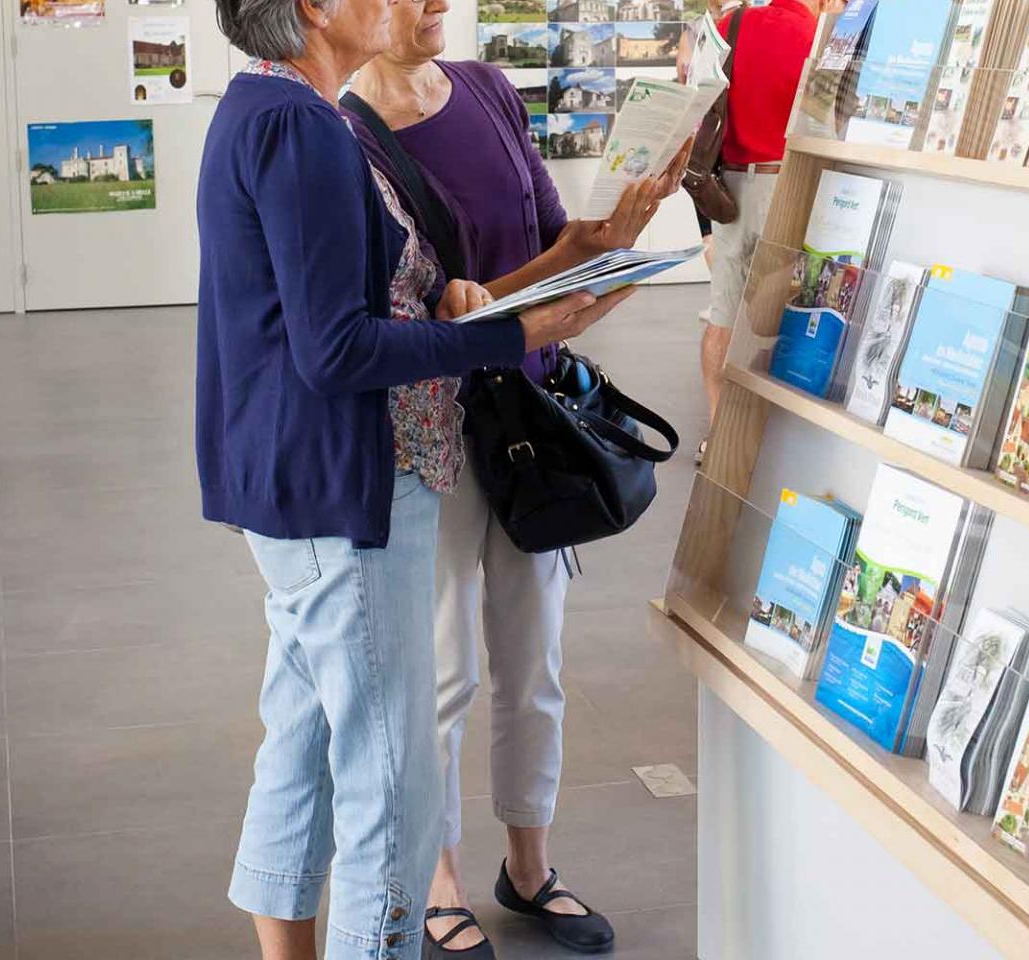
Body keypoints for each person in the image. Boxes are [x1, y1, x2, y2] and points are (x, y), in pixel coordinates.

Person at [200, 2, 633, 957]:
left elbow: (329, 311)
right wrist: (506, 334)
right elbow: (335, 350)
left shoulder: (264, 109)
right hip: (345, 483)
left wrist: (455, 300)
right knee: (392, 785)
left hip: (302, 482)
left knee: (305, 747)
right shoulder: (304, 128)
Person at [343, 4, 684, 956]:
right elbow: (387, 313)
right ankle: (440, 879)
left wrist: (620, 240)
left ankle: (529, 868)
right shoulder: (347, 134)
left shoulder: (490, 91)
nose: (435, 7)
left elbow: (555, 237)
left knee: (535, 663)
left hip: (531, 415)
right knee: (445, 672)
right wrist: (495, 306)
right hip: (436, 431)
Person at [697, 0, 821, 450]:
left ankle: (718, 435)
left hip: (729, 189)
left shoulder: (732, 23)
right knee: (780, 319)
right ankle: (774, 442)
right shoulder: (816, 35)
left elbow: (701, 102)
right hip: (786, 184)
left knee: (722, 316)